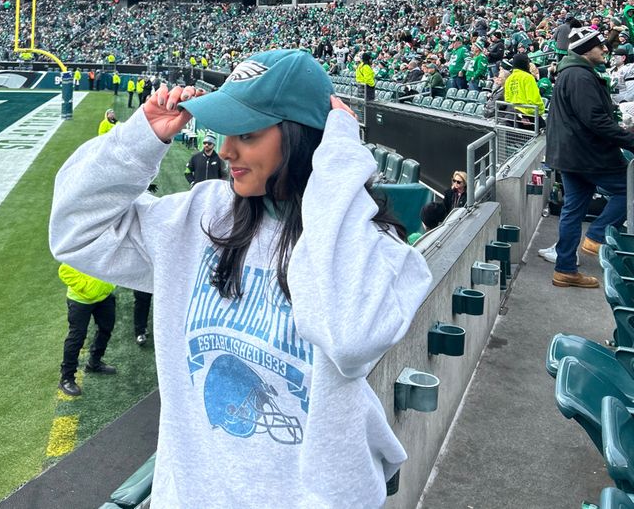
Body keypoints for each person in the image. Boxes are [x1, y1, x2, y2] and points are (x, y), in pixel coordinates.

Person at [50, 49, 431, 506]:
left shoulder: (375, 250)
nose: (227, 150)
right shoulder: (202, 216)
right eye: (226, 132)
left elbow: (350, 337)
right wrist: (138, 141)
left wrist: (339, 164)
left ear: (305, 141)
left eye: (247, 135)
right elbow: (75, 233)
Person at [545, 27, 634, 288]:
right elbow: (594, 119)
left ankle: (565, 270)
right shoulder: (580, 76)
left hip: (570, 155)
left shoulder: (570, 73)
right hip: (587, 154)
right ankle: (596, 236)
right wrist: (629, 140)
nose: (605, 49)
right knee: (629, 189)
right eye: (599, 46)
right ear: (586, 51)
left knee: (573, 210)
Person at [57, 264, 117, 397]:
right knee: (77, 338)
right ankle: (66, 378)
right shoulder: (77, 246)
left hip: (104, 296)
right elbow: (64, 271)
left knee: (106, 328)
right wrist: (87, 288)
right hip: (80, 301)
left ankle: (94, 362)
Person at [503, 54, 545, 127]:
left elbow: (507, 99)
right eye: (528, 63)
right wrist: (541, 111)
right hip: (529, 117)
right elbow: (534, 100)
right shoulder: (528, 78)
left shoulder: (509, 79)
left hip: (513, 115)